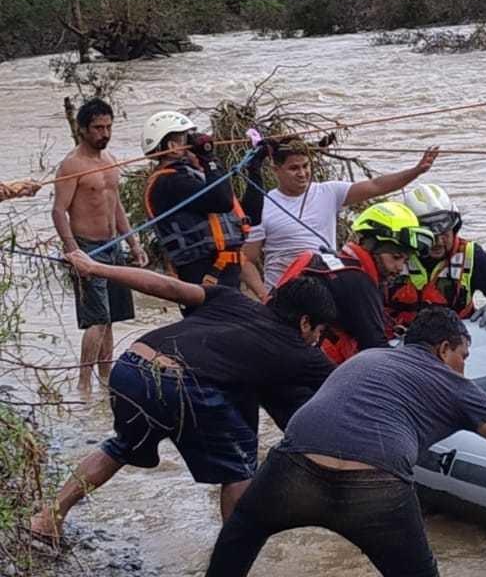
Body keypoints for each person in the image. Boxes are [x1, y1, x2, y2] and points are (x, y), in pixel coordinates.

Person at [204, 307, 486, 577]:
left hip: (294, 467)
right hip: (374, 484)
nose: (464, 369)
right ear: (443, 349)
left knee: (241, 533)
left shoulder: (369, 357)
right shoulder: (454, 386)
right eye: (463, 357)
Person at [29, 248, 336, 545]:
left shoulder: (231, 298)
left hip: (132, 366)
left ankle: (48, 518)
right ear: (305, 322)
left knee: (121, 446)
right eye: (319, 331)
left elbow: (168, 287)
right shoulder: (302, 354)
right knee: (240, 466)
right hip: (183, 384)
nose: (317, 340)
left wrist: (96, 268)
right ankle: (233, 557)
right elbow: (347, 388)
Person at [242, 137, 439, 297]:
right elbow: (246, 259)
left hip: (326, 290)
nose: (302, 173)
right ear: (275, 170)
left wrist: (416, 171)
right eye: (294, 168)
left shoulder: (329, 192)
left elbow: (376, 186)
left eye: (305, 166)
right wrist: (263, 295)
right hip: (282, 293)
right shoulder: (262, 205)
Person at [51, 98, 147, 395]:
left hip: (114, 245)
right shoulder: (72, 164)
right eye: (97, 128)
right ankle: (83, 385)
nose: (104, 134)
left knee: (112, 317)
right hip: (87, 247)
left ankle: (105, 381)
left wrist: (133, 242)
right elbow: (58, 210)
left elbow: (116, 206)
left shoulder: (110, 160)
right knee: (98, 318)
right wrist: (72, 250)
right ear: (82, 129)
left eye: (108, 127)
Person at [277, 201, 434, 365]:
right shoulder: (359, 283)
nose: (399, 268)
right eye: (395, 258)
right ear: (371, 247)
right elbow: (376, 350)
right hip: (302, 365)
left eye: (405, 261)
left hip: (280, 348)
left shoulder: (335, 264)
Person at [141, 110, 266, 301]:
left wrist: (255, 169)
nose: (194, 143)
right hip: (203, 276)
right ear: (173, 147)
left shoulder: (194, 178)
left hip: (225, 275)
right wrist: (209, 158)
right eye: (187, 139)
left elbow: (251, 216)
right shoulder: (168, 183)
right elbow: (222, 202)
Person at [387, 184, 486, 333]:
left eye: (444, 234)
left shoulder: (470, 255)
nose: (438, 242)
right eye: (430, 237)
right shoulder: (393, 256)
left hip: (455, 344)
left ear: (455, 228)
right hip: (400, 342)